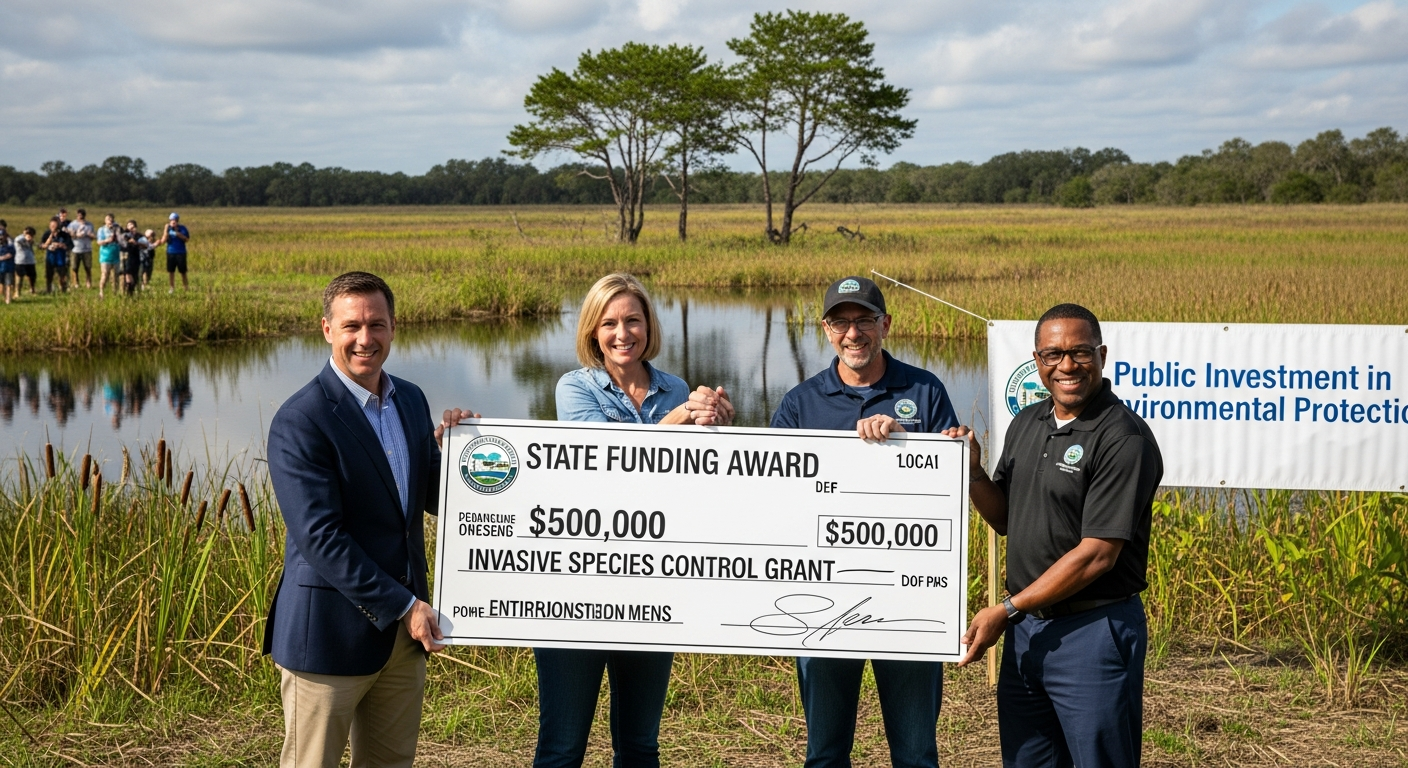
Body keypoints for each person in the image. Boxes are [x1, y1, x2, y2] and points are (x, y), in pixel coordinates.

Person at [264, 271, 474, 768]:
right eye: (351, 325)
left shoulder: (411, 399)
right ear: (326, 330)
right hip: (330, 639)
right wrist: (405, 606)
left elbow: (431, 496)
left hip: (403, 641)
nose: (365, 339)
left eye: (376, 325)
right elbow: (321, 539)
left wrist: (474, 458)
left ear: (393, 327)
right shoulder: (301, 419)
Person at [945, 303, 1162, 768]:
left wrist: (1006, 609)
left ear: (1102, 355)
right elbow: (1007, 518)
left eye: (1080, 352)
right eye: (1053, 354)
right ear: (1037, 360)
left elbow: (1097, 555)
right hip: (1028, 633)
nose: (1066, 365)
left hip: (1093, 633)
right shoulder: (1029, 423)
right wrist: (974, 474)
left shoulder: (1124, 438)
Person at [539, 272, 733, 768]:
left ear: (649, 326)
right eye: (609, 323)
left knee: (641, 745)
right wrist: (680, 421)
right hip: (577, 589)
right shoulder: (573, 388)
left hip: (652, 588)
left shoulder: (676, 388)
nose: (622, 333)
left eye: (632, 320)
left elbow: (694, 486)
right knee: (562, 749)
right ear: (591, 331)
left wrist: (719, 428)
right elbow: (609, 461)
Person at [769, 276, 958, 768]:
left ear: (885, 325)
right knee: (825, 753)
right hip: (823, 602)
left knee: (916, 753)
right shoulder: (800, 403)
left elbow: (952, 491)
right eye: (841, 322)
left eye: (864, 321)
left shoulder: (925, 390)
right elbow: (772, 501)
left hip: (906, 598)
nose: (853, 334)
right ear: (826, 330)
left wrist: (906, 446)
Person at [155, 212, 190, 292]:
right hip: (170, 252)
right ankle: (172, 287)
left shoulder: (182, 228)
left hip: (181, 252)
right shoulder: (168, 229)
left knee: (183, 271)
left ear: (177, 221)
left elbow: (186, 239)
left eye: (175, 220)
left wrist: (177, 233)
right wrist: (166, 230)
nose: (173, 222)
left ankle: (186, 287)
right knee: (171, 271)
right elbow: (163, 241)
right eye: (171, 220)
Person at [40, 216, 72, 294]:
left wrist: (60, 245)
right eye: (51, 226)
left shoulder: (64, 235)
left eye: (54, 226)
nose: (53, 228)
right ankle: (49, 290)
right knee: (49, 275)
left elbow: (70, 245)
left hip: (61, 257)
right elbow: (41, 245)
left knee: (62, 275)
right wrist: (48, 244)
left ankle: (63, 289)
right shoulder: (47, 233)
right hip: (50, 257)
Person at [66, 208, 96, 289]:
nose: (80, 216)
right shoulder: (72, 224)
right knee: (74, 267)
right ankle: (76, 283)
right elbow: (69, 234)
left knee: (88, 267)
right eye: (79, 215)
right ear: (77, 215)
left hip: (87, 249)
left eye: (82, 215)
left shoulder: (89, 225)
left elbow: (94, 236)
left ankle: (88, 282)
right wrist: (76, 235)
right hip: (75, 248)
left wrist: (90, 235)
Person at [96, 213, 122, 298]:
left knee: (116, 275)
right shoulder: (101, 230)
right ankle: (101, 292)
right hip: (105, 255)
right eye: (108, 219)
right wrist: (107, 240)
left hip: (116, 255)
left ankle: (115, 293)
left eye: (111, 219)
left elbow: (122, 240)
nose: (110, 221)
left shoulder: (117, 228)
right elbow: (99, 242)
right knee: (105, 274)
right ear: (105, 221)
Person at [120, 220, 143, 296]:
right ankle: (128, 291)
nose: (131, 226)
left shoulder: (139, 235)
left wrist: (136, 241)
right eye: (129, 225)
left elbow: (145, 243)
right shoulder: (125, 234)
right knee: (127, 273)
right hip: (127, 256)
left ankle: (132, 291)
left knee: (135, 275)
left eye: (132, 225)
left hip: (136, 257)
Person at [13, 226, 37, 295]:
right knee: (19, 276)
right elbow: (17, 241)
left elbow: (35, 246)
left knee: (32, 276)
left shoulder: (32, 240)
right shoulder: (19, 238)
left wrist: (31, 241)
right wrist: (25, 237)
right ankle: (17, 292)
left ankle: (32, 289)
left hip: (30, 261)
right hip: (20, 261)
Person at [0, 229, 15, 305]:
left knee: (8, 284)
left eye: (2, 236)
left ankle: (8, 299)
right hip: (1, 269)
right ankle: (5, 297)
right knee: (1, 285)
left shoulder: (9, 246)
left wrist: (1, 258)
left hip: (8, 268)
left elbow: (10, 255)